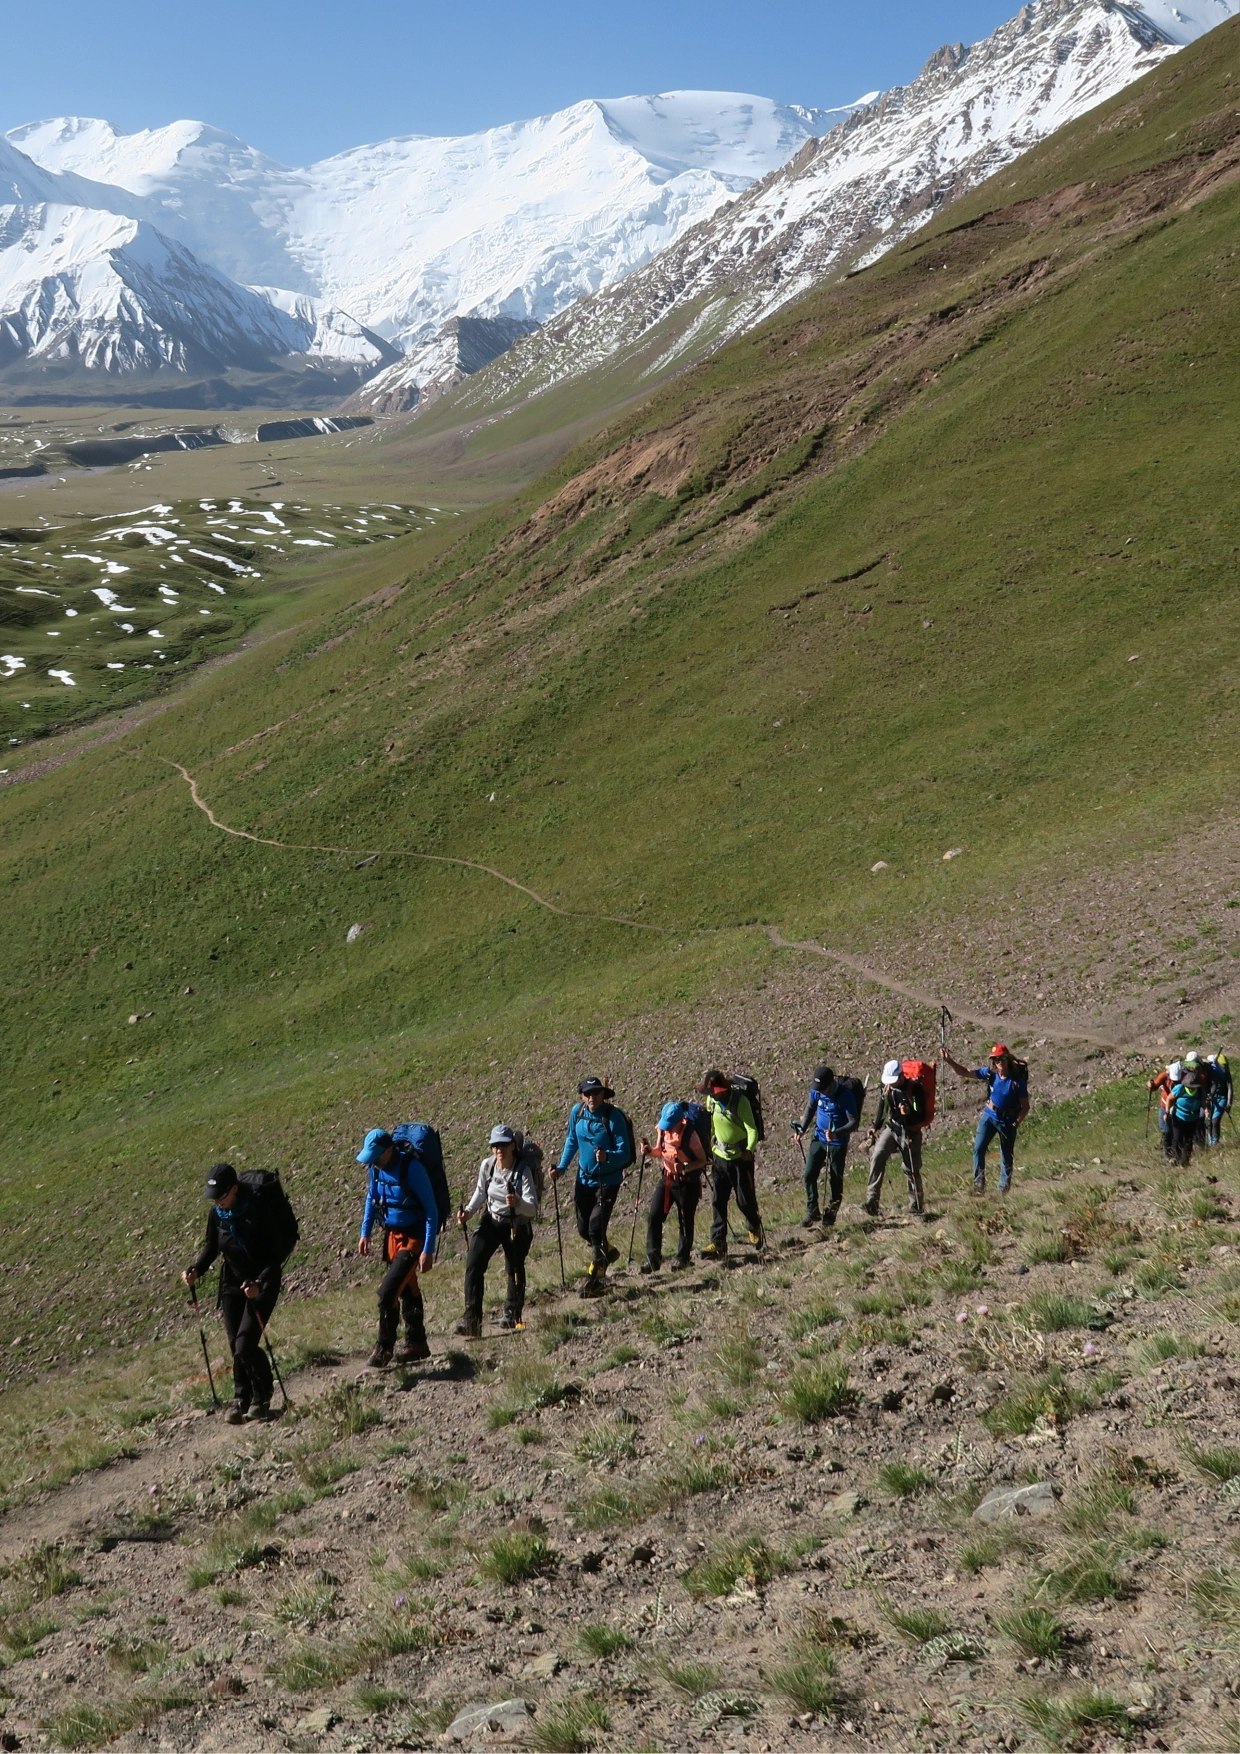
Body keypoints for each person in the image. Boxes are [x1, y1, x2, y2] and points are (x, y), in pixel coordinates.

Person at [183, 1164, 290, 1424]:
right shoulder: (218, 1213)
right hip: (232, 1282)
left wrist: (260, 1284)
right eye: (214, 1198)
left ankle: (262, 1398)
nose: (218, 1202)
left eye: (221, 1195)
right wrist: (197, 1269)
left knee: (245, 1344)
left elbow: (275, 1256)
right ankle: (241, 1398)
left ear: (234, 1188)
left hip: (262, 1282)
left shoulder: (258, 1209)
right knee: (235, 1345)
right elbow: (212, 1245)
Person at [357, 1127, 438, 1368]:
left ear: (389, 1150)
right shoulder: (376, 1168)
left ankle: (384, 1347)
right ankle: (417, 1343)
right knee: (408, 1289)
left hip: (413, 1238)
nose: (372, 1162)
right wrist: (365, 1232)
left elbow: (431, 1210)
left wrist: (428, 1249)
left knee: (387, 1293)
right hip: (392, 1237)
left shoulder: (412, 1169)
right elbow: (372, 1199)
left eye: (376, 1156)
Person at [552, 1077, 635, 1297]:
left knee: (595, 1227)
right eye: (588, 1093)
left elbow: (625, 1152)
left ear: (603, 1094)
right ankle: (608, 1252)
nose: (592, 1097)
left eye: (596, 1093)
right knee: (583, 1228)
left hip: (607, 1181)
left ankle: (596, 1276)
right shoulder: (577, 1112)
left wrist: (607, 1156)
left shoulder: (613, 1116)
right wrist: (561, 1168)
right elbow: (572, 1140)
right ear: (582, 1095)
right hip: (583, 1179)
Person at [455, 1126, 541, 1336]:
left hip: (516, 1223)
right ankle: (472, 1321)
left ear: (513, 1145)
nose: (499, 1149)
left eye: (503, 1144)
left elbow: (532, 1207)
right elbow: (481, 1191)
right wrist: (468, 1211)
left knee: (514, 1267)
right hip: (492, 1219)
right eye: (495, 1145)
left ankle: (513, 1313)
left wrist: (518, 1202)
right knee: (473, 1264)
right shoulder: (488, 1165)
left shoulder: (523, 1170)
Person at [944, 1044, 1029, 1193]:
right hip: (989, 1117)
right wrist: (949, 1061)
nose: (1000, 1062)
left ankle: (1003, 1189)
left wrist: (1016, 1123)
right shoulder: (990, 1074)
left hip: (1007, 1121)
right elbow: (964, 1072)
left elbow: (1025, 1106)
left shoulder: (1016, 1081)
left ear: (1008, 1059)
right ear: (993, 1061)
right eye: (996, 1059)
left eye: (1002, 1058)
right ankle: (979, 1185)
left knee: (1006, 1154)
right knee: (978, 1149)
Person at [699, 1068, 763, 1259]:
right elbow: (710, 1124)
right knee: (718, 1200)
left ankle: (753, 1224)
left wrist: (749, 1150)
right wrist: (708, 1147)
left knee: (744, 1199)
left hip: (740, 1159)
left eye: (715, 1092)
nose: (712, 1096)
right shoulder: (711, 1100)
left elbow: (752, 1129)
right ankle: (718, 1242)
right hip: (719, 1157)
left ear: (724, 1089)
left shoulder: (741, 1102)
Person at [640, 1100, 708, 1273]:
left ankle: (682, 1259)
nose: (667, 1128)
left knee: (685, 1222)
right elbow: (660, 1151)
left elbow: (702, 1160)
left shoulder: (691, 1136)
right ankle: (653, 1257)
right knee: (654, 1217)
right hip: (668, 1179)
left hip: (687, 1183)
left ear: (680, 1121)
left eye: (671, 1125)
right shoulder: (663, 1130)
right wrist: (648, 1151)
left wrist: (685, 1167)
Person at [793, 1065, 860, 1228]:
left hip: (837, 1143)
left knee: (835, 1179)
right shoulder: (817, 1091)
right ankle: (812, 1210)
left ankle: (830, 1216)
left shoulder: (845, 1096)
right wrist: (802, 1128)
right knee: (809, 1174)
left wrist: (837, 1133)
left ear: (831, 1084)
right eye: (817, 1088)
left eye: (822, 1088)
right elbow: (810, 1108)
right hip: (819, 1138)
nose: (819, 1092)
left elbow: (854, 1122)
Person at [864, 1061, 928, 1216]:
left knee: (910, 1168)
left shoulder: (915, 1089)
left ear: (901, 1075)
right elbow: (883, 1107)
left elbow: (921, 1115)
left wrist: (909, 1113)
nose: (891, 1084)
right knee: (877, 1156)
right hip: (892, 1128)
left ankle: (916, 1204)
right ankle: (872, 1200)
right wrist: (875, 1126)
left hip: (910, 1132)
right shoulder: (887, 1088)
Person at [1166, 1065, 1206, 1166]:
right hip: (1178, 1118)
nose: (1192, 1088)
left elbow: (1203, 1103)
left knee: (1189, 1140)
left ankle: (1185, 1162)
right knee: (1177, 1137)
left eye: (1194, 1087)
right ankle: (1174, 1158)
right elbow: (1169, 1099)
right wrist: (1167, 1113)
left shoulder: (1201, 1091)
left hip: (1193, 1119)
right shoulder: (1180, 1088)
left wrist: (1206, 1110)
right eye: (1190, 1086)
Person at [1147, 1060, 1182, 1160]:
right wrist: (1151, 1085)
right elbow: (1155, 1086)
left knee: (1175, 1130)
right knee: (1166, 1129)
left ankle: (1175, 1150)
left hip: (1177, 1107)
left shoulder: (1184, 1077)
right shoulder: (1164, 1076)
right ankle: (1167, 1151)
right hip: (1165, 1104)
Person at [1207, 1052, 1233, 1146]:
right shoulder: (1209, 1071)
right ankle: (1211, 1141)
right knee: (1209, 1121)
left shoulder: (1225, 1072)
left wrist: (1229, 1103)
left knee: (1215, 1120)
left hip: (1222, 1098)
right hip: (1211, 1098)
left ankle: (1215, 1141)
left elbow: (1230, 1088)